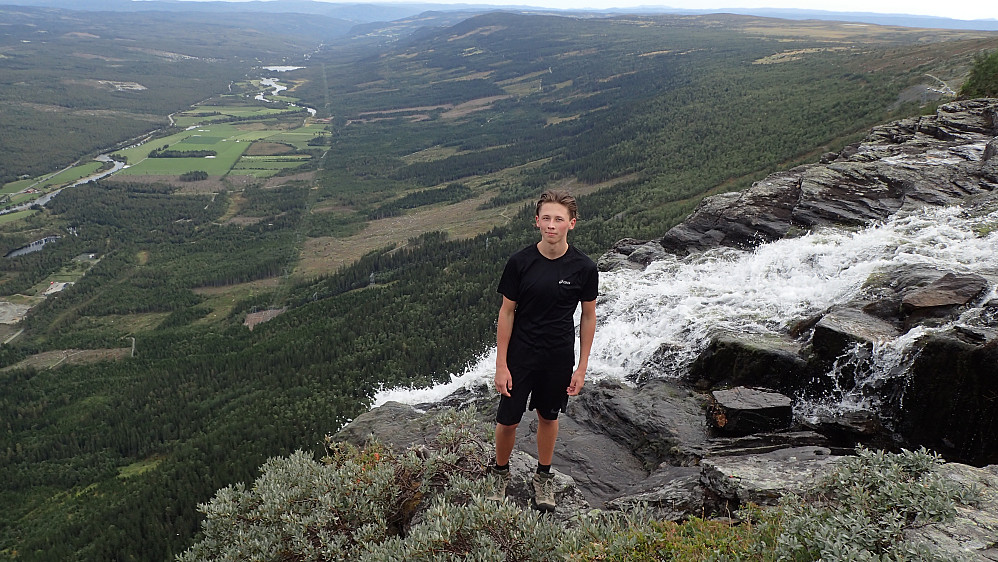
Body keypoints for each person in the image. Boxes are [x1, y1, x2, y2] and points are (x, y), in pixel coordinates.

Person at [488, 189, 598, 512]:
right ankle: (499, 472)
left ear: (571, 224)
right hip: (521, 355)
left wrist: (582, 367)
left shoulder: (584, 268)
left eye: (559, 219)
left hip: (558, 355)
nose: (552, 225)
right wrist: (500, 364)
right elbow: (506, 312)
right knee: (508, 420)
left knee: (548, 416)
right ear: (537, 221)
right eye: (546, 218)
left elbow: (589, 317)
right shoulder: (519, 263)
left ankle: (543, 477)